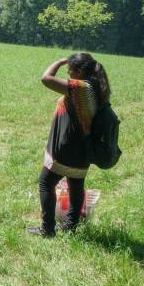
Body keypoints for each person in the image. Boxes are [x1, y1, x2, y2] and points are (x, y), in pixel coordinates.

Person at [28, 53, 111, 237]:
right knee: (76, 184)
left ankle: (47, 229)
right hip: (83, 149)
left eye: (70, 69)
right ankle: (70, 226)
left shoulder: (81, 88)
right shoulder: (96, 87)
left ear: (79, 71)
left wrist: (59, 61)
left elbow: (46, 78)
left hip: (68, 147)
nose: (67, 72)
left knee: (46, 183)